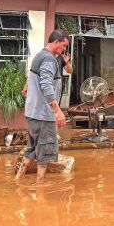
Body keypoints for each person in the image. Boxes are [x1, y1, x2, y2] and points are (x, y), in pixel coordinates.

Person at [16, 30, 69, 183]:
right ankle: (41, 189)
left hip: (33, 113)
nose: (63, 49)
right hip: (43, 114)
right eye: (63, 45)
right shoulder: (48, 59)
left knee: (31, 149)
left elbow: (35, 79)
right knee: (45, 152)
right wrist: (57, 111)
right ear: (56, 41)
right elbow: (46, 84)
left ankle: (17, 181)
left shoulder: (40, 55)